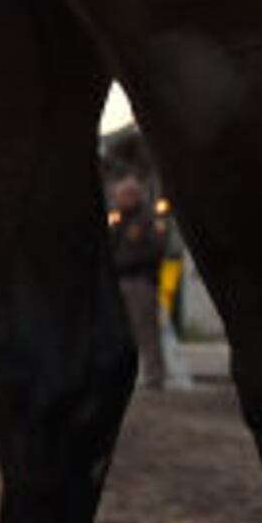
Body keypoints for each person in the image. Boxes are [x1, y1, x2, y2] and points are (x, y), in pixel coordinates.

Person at [108, 164, 175, 390]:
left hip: (141, 281)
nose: (118, 200)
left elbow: (156, 249)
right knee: (122, 334)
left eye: (122, 196)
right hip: (120, 281)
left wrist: (128, 261)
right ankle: (125, 377)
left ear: (133, 196)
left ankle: (155, 376)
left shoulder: (147, 219)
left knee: (147, 331)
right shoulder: (118, 220)